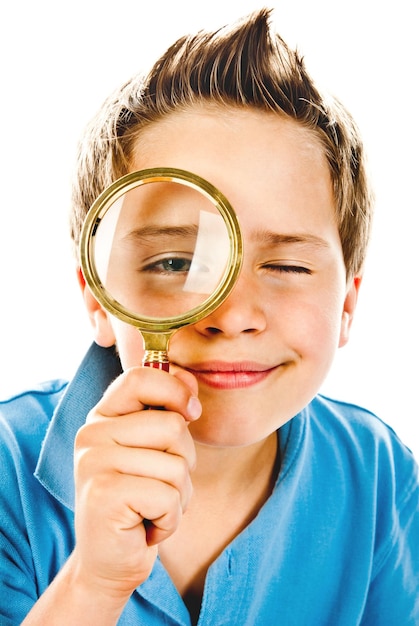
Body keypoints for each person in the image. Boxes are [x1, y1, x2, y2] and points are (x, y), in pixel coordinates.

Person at [1, 8, 418, 625]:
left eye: (287, 267)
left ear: (348, 304)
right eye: (174, 262)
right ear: (98, 299)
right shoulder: (8, 468)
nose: (232, 315)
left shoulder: (380, 477)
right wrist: (93, 584)